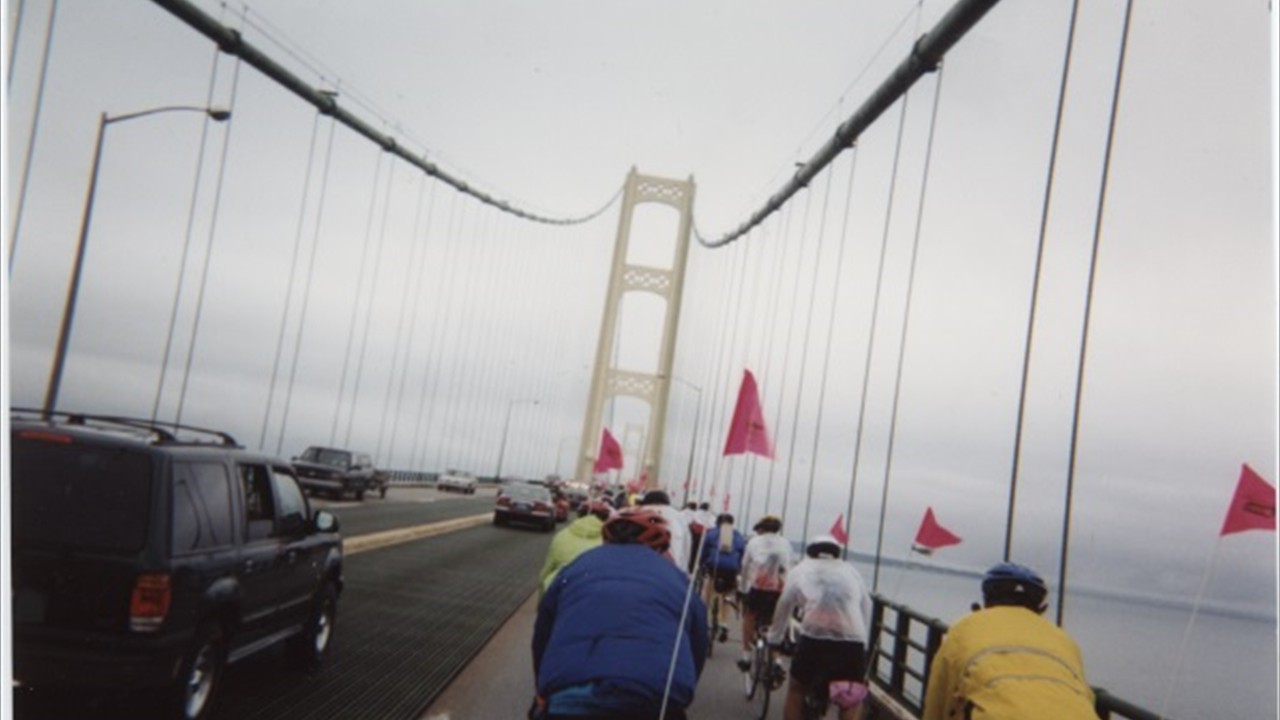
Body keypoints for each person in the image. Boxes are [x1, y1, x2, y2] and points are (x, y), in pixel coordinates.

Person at [532, 507, 709, 719]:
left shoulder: (577, 566)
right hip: (653, 698)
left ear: (606, 539)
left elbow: (542, 633)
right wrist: (680, 689)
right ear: (662, 547)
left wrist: (542, 690)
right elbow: (698, 644)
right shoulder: (678, 580)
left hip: (573, 696)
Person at [921, 563, 1095, 720]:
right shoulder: (1065, 640)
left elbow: (939, 696)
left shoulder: (965, 628)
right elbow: (1086, 696)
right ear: (1042, 608)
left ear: (986, 600)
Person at [767, 535, 872, 720]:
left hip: (814, 639)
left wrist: (774, 638)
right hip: (852, 641)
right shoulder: (851, 571)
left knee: (797, 690)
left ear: (810, 552)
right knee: (851, 698)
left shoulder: (801, 569)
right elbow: (866, 605)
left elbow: (784, 604)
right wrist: (864, 645)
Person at [738, 514, 793, 671]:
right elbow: (789, 567)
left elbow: (745, 566)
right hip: (780, 589)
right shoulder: (786, 543)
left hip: (758, 588)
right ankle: (777, 660)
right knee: (775, 623)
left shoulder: (754, 542)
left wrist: (742, 589)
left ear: (761, 528)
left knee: (749, 616)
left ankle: (746, 656)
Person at [537, 500, 612, 595]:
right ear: (606, 519)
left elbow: (547, 571)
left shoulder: (562, 535)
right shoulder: (609, 542)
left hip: (559, 590)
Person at [699, 513, 747, 640]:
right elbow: (742, 554)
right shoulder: (738, 536)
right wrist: (738, 569)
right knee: (726, 596)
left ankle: (707, 621)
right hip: (731, 570)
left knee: (707, 595)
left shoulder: (712, 533)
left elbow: (703, 552)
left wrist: (701, 565)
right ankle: (724, 623)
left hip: (714, 567)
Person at [638, 489, 691, 572]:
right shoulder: (679, 516)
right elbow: (686, 547)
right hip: (670, 572)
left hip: (638, 569)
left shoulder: (638, 513)